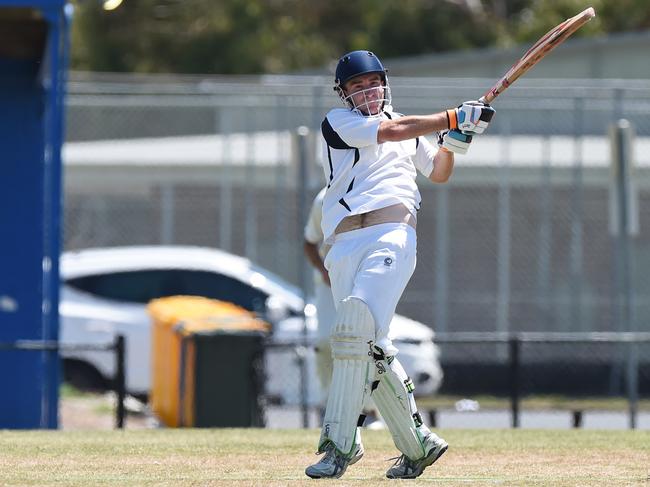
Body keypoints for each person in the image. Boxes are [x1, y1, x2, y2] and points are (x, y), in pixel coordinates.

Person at [304, 50, 494, 480]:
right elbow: (392, 131)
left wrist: (458, 136)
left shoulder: (409, 128)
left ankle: (338, 445)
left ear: (385, 84)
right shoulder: (339, 122)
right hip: (343, 244)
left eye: (372, 82)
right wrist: (452, 117)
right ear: (344, 93)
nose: (367, 90)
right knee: (373, 346)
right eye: (356, 86)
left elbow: (440, 172)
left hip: (392, 234)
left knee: (353, 330)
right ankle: (418, 445)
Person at [303, 187, 383, 428]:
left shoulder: (376, 191)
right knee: (327, 342)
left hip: (365, 279)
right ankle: (330, 408)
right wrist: (323, 271)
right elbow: (309, 243)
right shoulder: (323, 200)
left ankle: (369, 411)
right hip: (331, 284)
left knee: (372, 342)